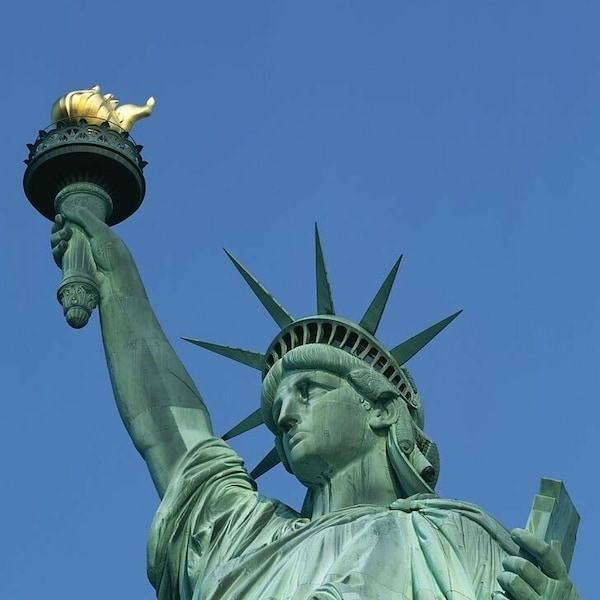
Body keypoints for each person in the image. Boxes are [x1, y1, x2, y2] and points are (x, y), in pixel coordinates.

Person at [51, 206, 580, 600]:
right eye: (278, 402)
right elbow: (170, 434)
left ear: (380, 409)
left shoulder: (456, 539)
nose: (283, 414)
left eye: (309, 390)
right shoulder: (244, 541)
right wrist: (116, 279)